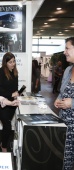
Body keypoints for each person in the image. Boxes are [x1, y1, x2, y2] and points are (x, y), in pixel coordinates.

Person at [54, 37, 74, 170]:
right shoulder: (68, 70)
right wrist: (59, 98)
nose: (64, 52)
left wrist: (72, 103)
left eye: (67, 48)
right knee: (64, 162)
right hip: (65, 127)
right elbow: (62, 92)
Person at [0, 52, 19, 152]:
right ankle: (3, 146)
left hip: (12, 105)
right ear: (5, 63)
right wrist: (11, 94)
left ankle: (3, 142)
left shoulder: (15, 72)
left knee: (7, 126)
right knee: (8, 126)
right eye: (10, 62)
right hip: (2, 104)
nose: (13, 64)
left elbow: (15, 88)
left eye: (14, 61)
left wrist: (17, 94)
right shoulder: (0, 72)